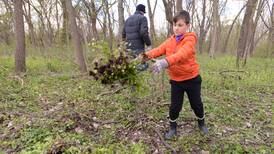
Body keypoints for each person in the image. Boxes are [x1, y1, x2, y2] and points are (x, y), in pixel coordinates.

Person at [141, 10, 209, 139]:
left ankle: (201, 123)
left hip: (192, 80)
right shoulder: (170, 41)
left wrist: (165, 62)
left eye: (180, 25)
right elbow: (158, 50)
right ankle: (172, 128)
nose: (176, 28)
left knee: (197, 104)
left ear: (187, 26)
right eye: (175, 25)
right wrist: (144, 57)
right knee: (174, 106)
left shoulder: (190, 39)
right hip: (176, 81)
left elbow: (181, 54)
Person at [122, 4, 151, 71]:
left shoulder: (127, 19)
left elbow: (123, 34)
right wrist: (148, 44)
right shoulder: (143, 18)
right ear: (143, 12)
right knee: (141, 69)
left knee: (132, 69)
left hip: (128, 50)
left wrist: (125, 46)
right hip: (139, 50)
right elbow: (144, 33)